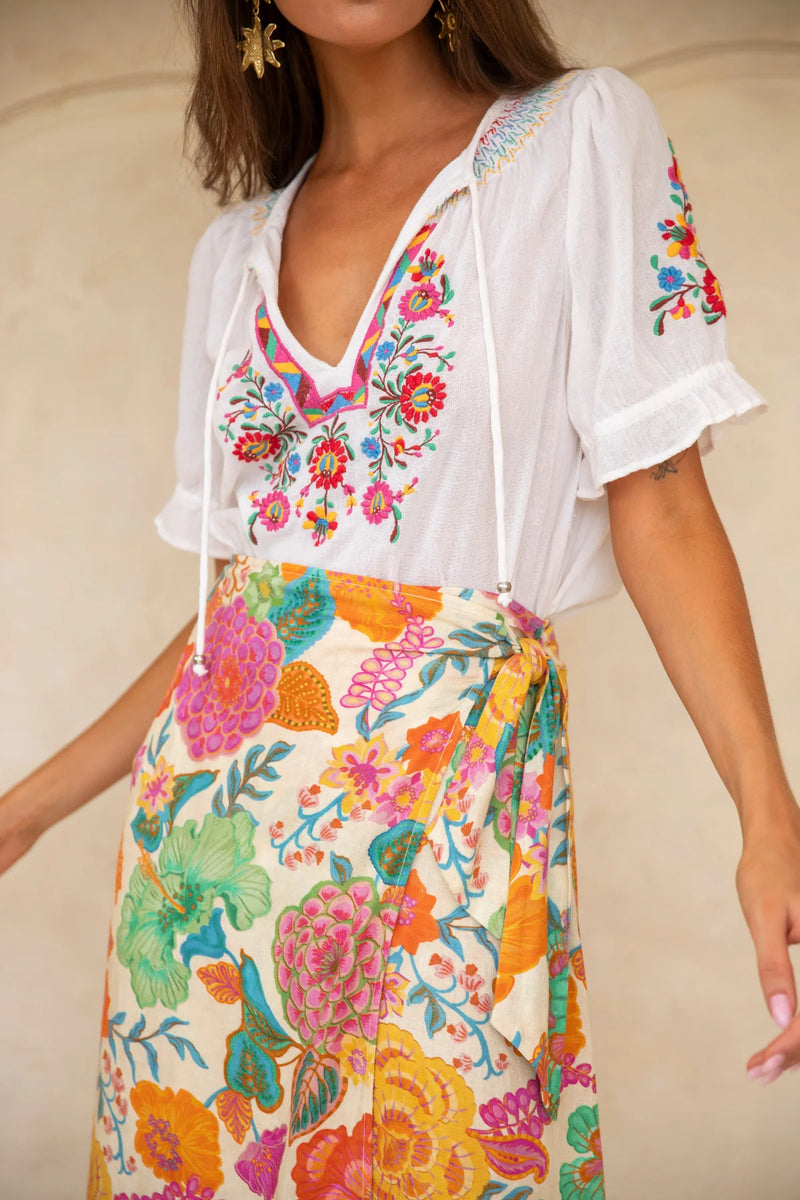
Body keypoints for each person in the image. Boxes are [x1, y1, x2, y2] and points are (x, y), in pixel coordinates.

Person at [2, 1, 798, 1197]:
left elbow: (664, 497)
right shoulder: (231, 257)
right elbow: (242, 629)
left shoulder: (577, 138)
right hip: (207, 883)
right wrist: (22, 812)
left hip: (451, 820)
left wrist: (766, 812)